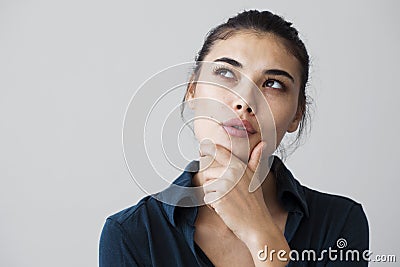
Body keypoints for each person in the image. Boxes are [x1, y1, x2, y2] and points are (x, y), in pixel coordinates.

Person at [99, 10, 369, 267]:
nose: (244, 101)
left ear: (297, 114)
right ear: (192, 90)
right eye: (226, 73)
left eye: (273, 83)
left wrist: (261, 236)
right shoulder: (130, 234)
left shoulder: (339, 224)